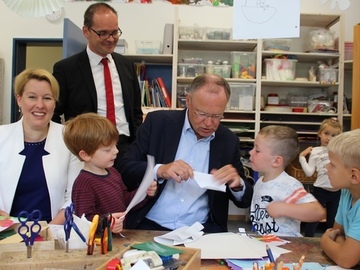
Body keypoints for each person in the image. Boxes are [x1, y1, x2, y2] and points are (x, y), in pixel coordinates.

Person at [119, 74, 253, 233]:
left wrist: (237, 185)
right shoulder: (157, 123)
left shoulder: (228, 141)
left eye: (217, 116)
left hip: (201, 231)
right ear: (188, 101)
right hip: (148, 224)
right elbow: (124, 168)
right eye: (202, 113)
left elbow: (244, 201)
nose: (209, 123)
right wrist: (160, 170)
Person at [52, 2, 143, 167]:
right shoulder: (66, 69)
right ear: (86, 31)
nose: (111, 39)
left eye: (114, 32)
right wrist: (70, 144)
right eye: (103, 33)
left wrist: (136, 143)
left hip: (126, 150)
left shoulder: (127, 65)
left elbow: (136, 111)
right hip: (88, 151)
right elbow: (54, 114)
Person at [0, 68, 82, 224]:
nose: (40, 105)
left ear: (55, 103)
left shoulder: (70, 138)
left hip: (54, 233)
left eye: (47, 98)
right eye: (32, 97)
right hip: (6, 233)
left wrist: (48, 233)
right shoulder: (1, 137)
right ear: (19, 99)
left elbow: (75, 197)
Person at [63, 113, 157, 233]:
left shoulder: (113, 172)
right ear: (85, 155)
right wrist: (108, 222)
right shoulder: (84, 183)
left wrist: (144, 192)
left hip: (120, 237)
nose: (116, 151)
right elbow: (84, 221)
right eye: (108, 149)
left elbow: (125, 201)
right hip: (101, 245)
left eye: (115, 145)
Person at [249, 125, 325, 236]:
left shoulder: (289, 185)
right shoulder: (260, 182)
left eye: (257, 150)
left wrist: (284, 208)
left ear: (276, 161)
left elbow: (317, 212)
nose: (251, 152)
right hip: (267, 245)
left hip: (287, 248)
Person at [320, 129, 360, 269]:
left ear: (354, 176)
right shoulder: (346, 192)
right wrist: (344, 247)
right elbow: (337, 231)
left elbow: (345, 260)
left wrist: (324, 241)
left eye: (332, 164)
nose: (326, 167)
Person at [299, 117, 342, 237]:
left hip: (336, 192)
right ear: (320, 133)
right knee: (313, 220)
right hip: (320, 190)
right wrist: (302, 157)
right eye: (326, 133)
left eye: (334, 135)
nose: (329, 138)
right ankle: (308, 243)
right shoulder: (315, 151)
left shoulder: (340, 151)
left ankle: (332, 245)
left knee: (332, 222)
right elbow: (309, 173)